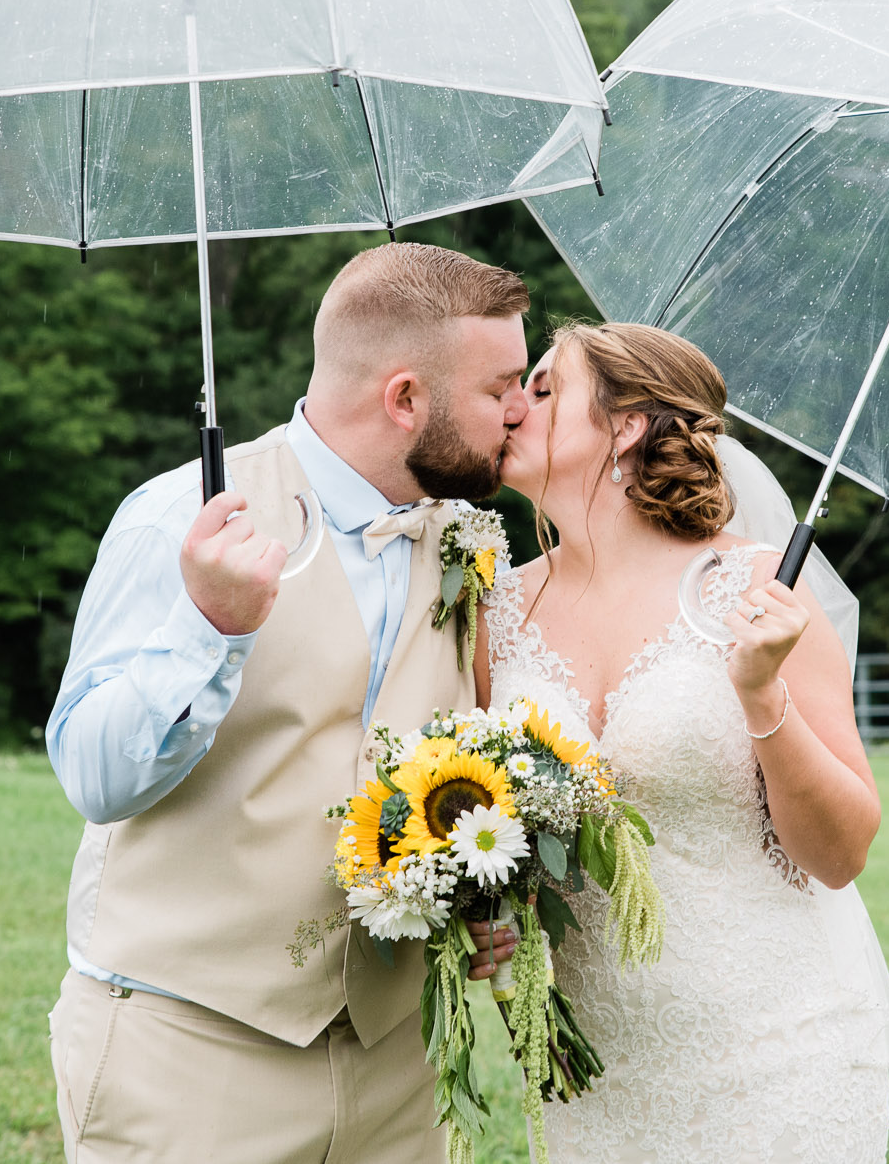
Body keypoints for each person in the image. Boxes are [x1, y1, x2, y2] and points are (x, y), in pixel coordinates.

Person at [44, 242, 530, 1164]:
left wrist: (474, 891)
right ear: (404, 399)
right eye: (500, 385)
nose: (521, 408)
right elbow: (93, 774)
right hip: (189, 1056)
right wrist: (209, 626)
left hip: (399, 1069)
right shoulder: (178, 519)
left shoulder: (468, 545)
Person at [474, 322, 889, 1164]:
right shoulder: (494, 610)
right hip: (593, 1075)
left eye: (543, 388)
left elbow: (842, 849)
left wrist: (761, 694)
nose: (512, 408)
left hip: (776, 1054)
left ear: (627, 424)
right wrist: (487, 911)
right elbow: (503, 829)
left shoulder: (754, 592)